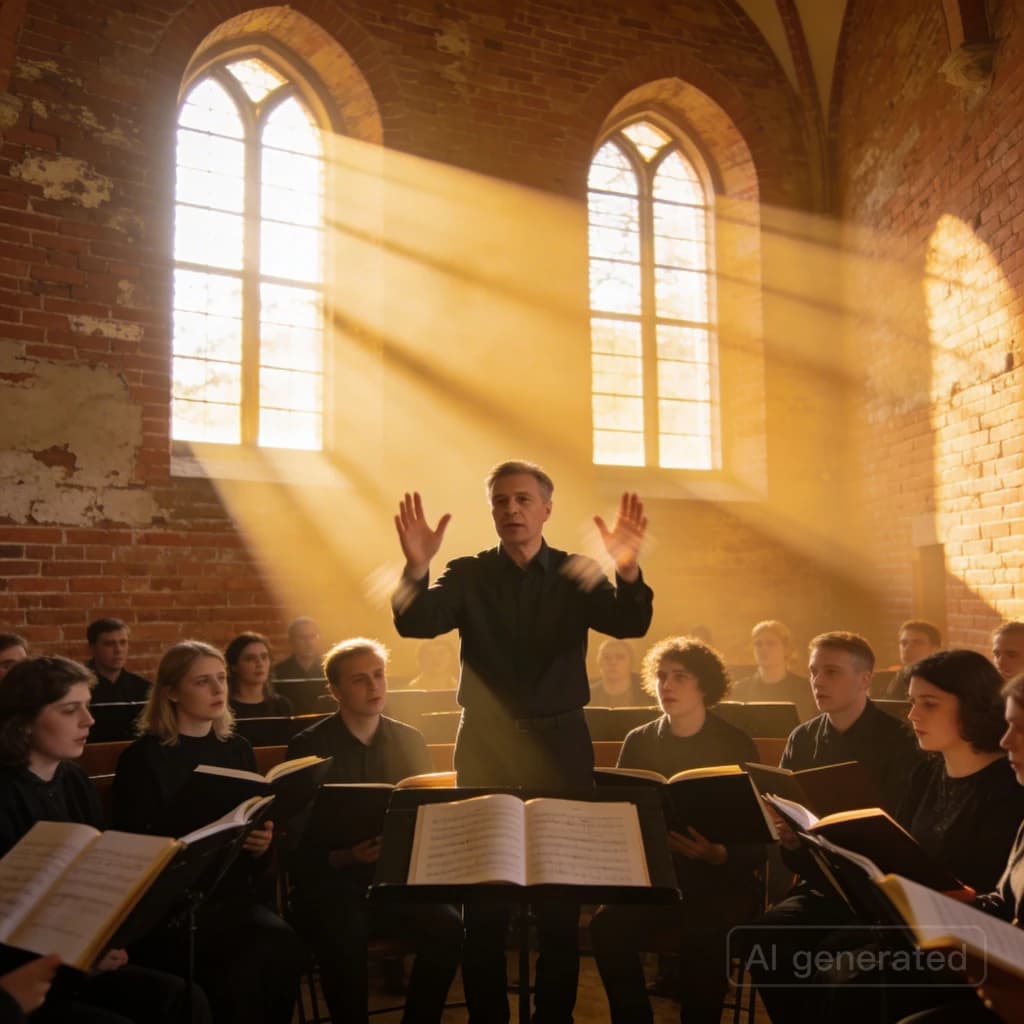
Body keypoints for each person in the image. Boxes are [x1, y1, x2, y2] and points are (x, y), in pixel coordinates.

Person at [392, 460, 653, 1024]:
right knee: (484, 906)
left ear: (546, 509)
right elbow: (417, 624)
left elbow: (629, 626)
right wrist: (416, 566)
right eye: (501, 501)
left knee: (560, 905)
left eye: (524, 500)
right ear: (492, 511)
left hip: (561, 744)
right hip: (486, 745)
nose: (512, 510)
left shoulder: (578, 572)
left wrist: (627, 568)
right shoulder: (467, 574)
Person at [751, 646, 1024, 1022]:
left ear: (973, 707)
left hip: (965, 932)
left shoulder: (1010, 785)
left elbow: (1002, 895)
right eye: (911, 702)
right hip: (909, 915)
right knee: (789, 946)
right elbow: (897, 851)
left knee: (846, 974)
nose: (912, 715)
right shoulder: (927, 773)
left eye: (929, 704)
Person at [0, 656, 209, 1024]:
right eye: (70, 710)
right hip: (20, 973)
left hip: (76, 954)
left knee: (184, 999)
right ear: (24, 722)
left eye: (87, 706)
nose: (88, 720)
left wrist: (103, 942)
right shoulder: (6, 791)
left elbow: (93, 872)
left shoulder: (74, 779)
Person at [111, 641, 302, 1024]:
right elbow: (134, 841)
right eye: (202, 681)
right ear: (170, 692)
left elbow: (254, 821)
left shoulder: (237, 748)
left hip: (229, 892)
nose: (218, 690)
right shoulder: (143, 757)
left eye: (221, 679)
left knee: (283, 942)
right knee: (236, 960)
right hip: (171, 906)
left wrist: (261, 842)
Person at [744, 631, 923, 1022]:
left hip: (880, 890)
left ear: (864, 680)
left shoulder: (902, 741)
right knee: (761, 938)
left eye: (831, 672)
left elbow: (907, 828)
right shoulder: (803, 737)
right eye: (813, 671)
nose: (818, 681)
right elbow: (792, 837)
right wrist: (789, 838)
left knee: (829, 958)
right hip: (823, 882)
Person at [286, 638, 462, 1024]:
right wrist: (346, 856)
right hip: (334, 881)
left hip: (397, 879)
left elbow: (429, 812)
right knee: (343, 935)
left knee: (449, 925)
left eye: (379, 675)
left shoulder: (409, 739)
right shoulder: (309, 745)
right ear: (335, 691)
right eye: (360, 680)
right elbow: (293, 837)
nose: (374, 686)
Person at [591, 637, 762, 1024]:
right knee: (605, 926)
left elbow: (755, 836)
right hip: (657, 876)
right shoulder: (639, 740)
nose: (666, 686)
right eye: (661, 676)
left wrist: (719, 854)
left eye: (680, 677)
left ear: (704, 685)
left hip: (719, 877)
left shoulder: (734, 742)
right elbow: (621, 815)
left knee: (708, 930)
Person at [731, 620, 816, 721]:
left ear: (786, 649)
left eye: (771, 643)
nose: (763, 648)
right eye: (758, 644)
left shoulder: (805, 689)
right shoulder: (740, 689)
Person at [224, 632, 292, 718]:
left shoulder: (281, 705)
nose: (260, 663)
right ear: (234, 666)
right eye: (250, 659)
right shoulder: (224, 708)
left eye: (264, 657)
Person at [85, 618, 151, 704]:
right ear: (92, 647)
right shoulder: (78, 688)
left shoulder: (143, 688)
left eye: (123, 642)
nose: (118, 650)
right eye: (109, 644)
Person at [878, 619, 942, 699]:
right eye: (904, 643)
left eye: (918, 642)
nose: (908, 648)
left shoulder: (942, 681)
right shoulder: (900, 675)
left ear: (935, 648)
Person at [589, 638, 647, 707]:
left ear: (631, 662)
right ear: (599, 662)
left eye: (620, 657)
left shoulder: (648, 694)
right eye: (606, 657)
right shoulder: (587, 697)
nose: (612, 662)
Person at [272, 617, 322, 682]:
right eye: (302, 637)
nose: (309, 642)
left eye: (312, 636)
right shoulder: (278, 671)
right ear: (291, 641)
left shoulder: (330, 669)